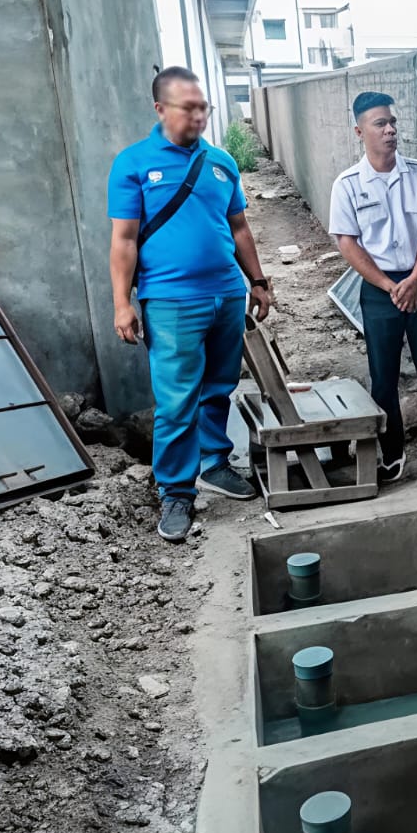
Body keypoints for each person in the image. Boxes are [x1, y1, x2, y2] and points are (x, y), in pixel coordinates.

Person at [108, 66, 273, 543]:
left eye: (204, 107)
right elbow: (123, 240)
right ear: (160, 109)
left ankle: (215, 463)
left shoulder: (221, 161)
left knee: (220, 387)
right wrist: (123, 303)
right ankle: (177, 491)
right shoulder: (134, 163)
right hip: (170, 300)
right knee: (177, 400)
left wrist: (257, 281)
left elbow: (238, 227)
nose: (199, 115)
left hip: (226, 295)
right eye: (189, 108)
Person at [330, 92, 417, 483]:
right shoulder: (348, 185)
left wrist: (416, 280)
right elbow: (348, 243)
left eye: (392, 122)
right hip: (379, 291)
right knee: (383, 376)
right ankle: (392, 453)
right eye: (380, 124)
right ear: (360, 131)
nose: (390, 130)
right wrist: (390, 286)